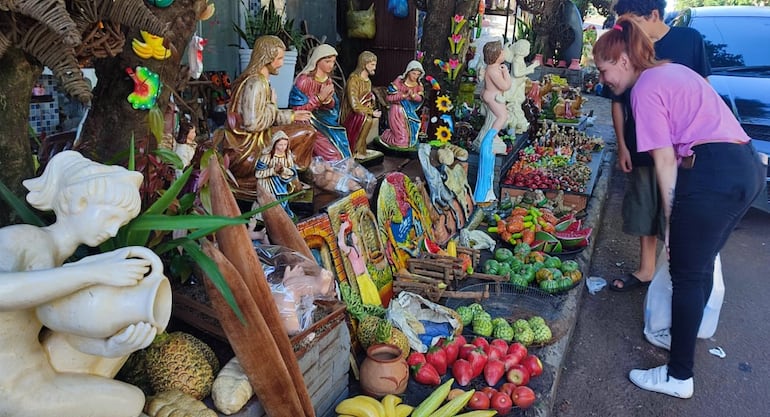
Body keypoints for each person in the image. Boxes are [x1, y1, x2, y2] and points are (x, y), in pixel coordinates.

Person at [593, 17, 764, 398]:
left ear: (622, 61)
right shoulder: (671, 71)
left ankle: (678, 375)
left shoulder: (644, 90)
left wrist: (670, 221)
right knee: (698, 265)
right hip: (747, 167)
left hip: (715, 173)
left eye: (603, 70)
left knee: (686, 270)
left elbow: (665, 162)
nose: (603, 80)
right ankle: (691, 332)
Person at [0, 151, 163, 416]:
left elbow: (63, 335)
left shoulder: (64, 263)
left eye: (120, 225)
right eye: (110, 218)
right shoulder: (23, 238)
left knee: (122, 335)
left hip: (36, 368)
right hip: (8, 388)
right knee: (130, 402)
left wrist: (111, 347)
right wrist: (93, 274)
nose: (112, 232)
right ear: (78, 202)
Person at [608, 0, 711, 293]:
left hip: (680, 149)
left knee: (678, 208)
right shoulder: (629, 45)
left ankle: (676, 275)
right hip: (641, 144)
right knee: (644, 205)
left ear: (653, 15)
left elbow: (703, 88)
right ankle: (646, 270)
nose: (625, 30)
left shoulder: (689, 39)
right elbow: (617, 101)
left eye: (630, 21)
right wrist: (622, 146)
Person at [223, 35, 314, 201]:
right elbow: (252, 123)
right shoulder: (255, 83)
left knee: (306, 131)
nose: (281, 63)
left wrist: (292, 115)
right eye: (279, 58)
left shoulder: (262, 81)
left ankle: (288, 175)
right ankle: (287, 177)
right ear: (266, 58)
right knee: (307, 134)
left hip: (260, 136)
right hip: (250, 147)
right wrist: (273, 106)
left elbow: (263, 115)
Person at [289, 44, 352, 161]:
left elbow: (333, 108)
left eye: (333, 62)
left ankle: (339, 171)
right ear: (317, 60)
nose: (331, 65)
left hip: (325, 121)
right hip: (308, 123)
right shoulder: (304, 81)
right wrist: (318, 98)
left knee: (340, 143)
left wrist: (328, 102)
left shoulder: (328, 80)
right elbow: (297, 111)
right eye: (327, 61)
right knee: (332, 154)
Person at [474, 40, 511, 203]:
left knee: (500, 117)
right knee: (502, 117)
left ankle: (491, 136)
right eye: (502, 50)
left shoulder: (493, 68)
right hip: (493, 97)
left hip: (492, 95)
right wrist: (506, 72)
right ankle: (490, 137)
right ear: (496, 55)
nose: (504, 52)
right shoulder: (495, 70)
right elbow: (506, 85)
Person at [341, 51, 382, 159]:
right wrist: (371, 112)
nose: (374, 67)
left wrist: (371, 99)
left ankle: (361, 149)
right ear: (364, 64)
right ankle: (354, 150)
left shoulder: (368, 81)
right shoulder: (353, 80)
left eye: (375, 64)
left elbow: (366, 101)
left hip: (362, 112)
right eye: (372, 65)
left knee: (367, 118)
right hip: (352, 114)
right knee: (366, 119)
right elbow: (354, 105)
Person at [379, 60, 425, 150]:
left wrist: (413, 96)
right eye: (413, 73)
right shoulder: (399, 81)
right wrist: (403, 96)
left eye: (418, 74)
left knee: (408, 141)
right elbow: (389, 98)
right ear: (408, 72)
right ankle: (385, 135)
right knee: (401, 141)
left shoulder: (418, 85)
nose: (415, 76)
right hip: (396, 112)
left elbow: (420, 99)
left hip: (408, 113)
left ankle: (392, 134)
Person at [255, 131, 300, 219]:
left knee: (283, 199)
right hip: (267, 183)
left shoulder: (287, 156)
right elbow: (258, 173)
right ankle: (267, 217)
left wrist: (283, 170)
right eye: (280, 145)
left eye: (285, 145)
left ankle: (281, 216)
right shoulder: (266, 156)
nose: (283, 147)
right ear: (274, 144)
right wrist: (273, 170)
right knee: (269, 201)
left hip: (281, 183)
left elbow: (293, 172)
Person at [507, 39, 540, 134]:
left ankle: (518, 123)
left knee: (519, 102)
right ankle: (517, 123)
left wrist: (532, 67)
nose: (528, 51)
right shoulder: (517, 59)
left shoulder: (520, 59)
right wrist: (530, 69)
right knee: (515, 103)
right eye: (527, 48)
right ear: (522, 50)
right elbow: (517, 73)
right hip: (515, 85)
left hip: (520, 85)